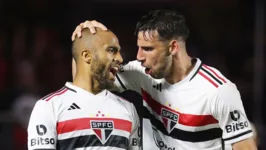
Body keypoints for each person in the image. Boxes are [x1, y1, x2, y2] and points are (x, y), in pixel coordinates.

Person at [72, 10, 257, 150]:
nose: (139, 56)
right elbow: (84, 82)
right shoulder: (141, 73)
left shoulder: (219, 90)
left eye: (148, 49)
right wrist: (85, 38)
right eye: (138, 48)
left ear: (173, 47)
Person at [27, 28, 141, 150]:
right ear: (87, 56)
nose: (120, 58)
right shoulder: (49, 107)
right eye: (111, 50)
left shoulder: (128, 108)